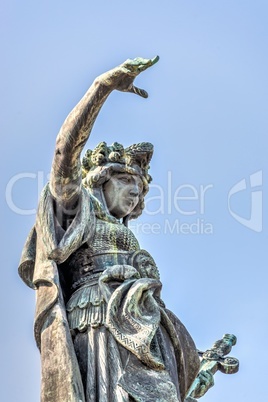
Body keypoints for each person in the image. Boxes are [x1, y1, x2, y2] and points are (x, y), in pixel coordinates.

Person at [19, 57, 205, 402]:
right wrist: (101, 88)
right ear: (100, 181)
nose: (135, 192)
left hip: (144, 317)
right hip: (98, 316)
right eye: (125, 180)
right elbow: (64, 151)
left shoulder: (123, 231)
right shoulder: (76, 206)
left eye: (140, 187)